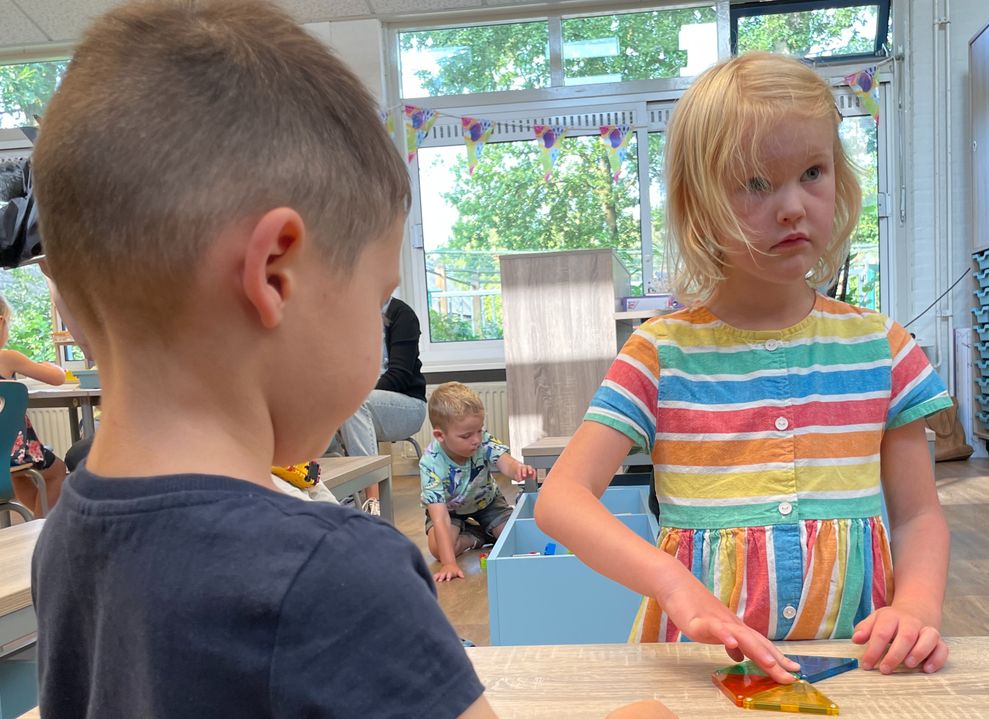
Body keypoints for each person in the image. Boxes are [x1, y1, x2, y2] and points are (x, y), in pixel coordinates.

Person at [29, 2, 672, 717]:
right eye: (378, 297)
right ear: (275, 275)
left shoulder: (63, 538)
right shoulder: (336, 573)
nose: (380, 328)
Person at [535, 52, 954, 685]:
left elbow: (920, 515)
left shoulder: (883, 348)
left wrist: (917, 607)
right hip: (695, 669)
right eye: (756, 183)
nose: (792, 206)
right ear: (699, 205)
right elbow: (561, 500)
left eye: (813, 172)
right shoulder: (659, 352)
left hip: (858, 667)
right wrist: (673, 586)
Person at [422, 381, 536, 582]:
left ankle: (490, 529)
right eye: (466, 435)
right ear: (440, 435)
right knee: (440, 549)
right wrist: (449, 563)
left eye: (479, 430)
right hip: (450, 511)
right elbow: (439, 518)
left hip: (487, 503)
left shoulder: (482, 439)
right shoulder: (430, 463)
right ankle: (478, 536)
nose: (475, 439)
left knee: (514, 536)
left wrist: (517, 469)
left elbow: (504, 462)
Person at [333, 296, 428, 516]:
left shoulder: (401, 314)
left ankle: (371, 502)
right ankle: (340, 492)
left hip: (407, 405)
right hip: (360, 407)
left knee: (355, 403)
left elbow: (399, 376)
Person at [0, 293, 68, 516]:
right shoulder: (7, 357)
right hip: (11, 451)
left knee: (19, 475)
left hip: (7, 459)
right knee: (56, 470)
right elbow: (58, 378)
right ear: (1, 322)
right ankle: (41, 527)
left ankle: (37, 522)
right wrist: (54, 367)